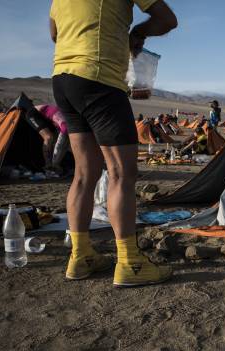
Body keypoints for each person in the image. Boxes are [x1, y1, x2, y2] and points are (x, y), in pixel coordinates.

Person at [50, 0, 177, 286]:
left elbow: (54, 32)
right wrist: (138, 33)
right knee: (122, 173)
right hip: (100, 79)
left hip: (63, 79)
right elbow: (167, 19)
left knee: (85, 174)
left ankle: (80, 256)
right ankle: (130, 263)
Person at [36, 104, 72, 173]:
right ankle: (49, 165)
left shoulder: (67, 121)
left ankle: (54, 164)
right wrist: (55, 163)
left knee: (61, 142)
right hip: (34, 113)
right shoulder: (65, 125)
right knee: (48, 137)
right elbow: (59, 145)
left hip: (49, 116)